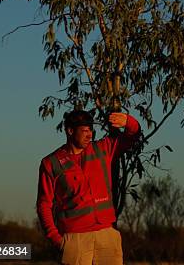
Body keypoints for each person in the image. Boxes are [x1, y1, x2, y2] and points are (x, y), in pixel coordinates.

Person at [36, 110, 141, 265]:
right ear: (70, 131)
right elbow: (44, 204)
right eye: (84, 131)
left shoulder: (103, 149)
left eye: (91, 130)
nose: (89, 135)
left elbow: (133, 136)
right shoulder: (51, 163)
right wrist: (57, 240)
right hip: (75, 240)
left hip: (107, 237)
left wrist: (128, 121)